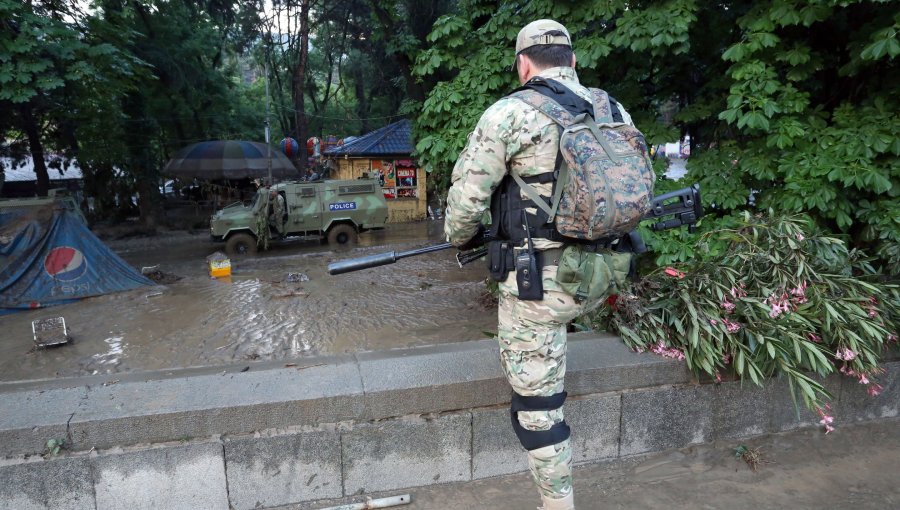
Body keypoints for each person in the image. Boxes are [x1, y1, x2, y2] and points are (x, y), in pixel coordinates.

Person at [444, 19, 637, 510]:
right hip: (606, 272)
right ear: (573, 61)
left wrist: (462, 239)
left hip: (540, 288)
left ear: (523, 64)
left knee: (537, 406)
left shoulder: (508, 114)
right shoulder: (613, 108)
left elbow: (466, 204)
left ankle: (557, 503)